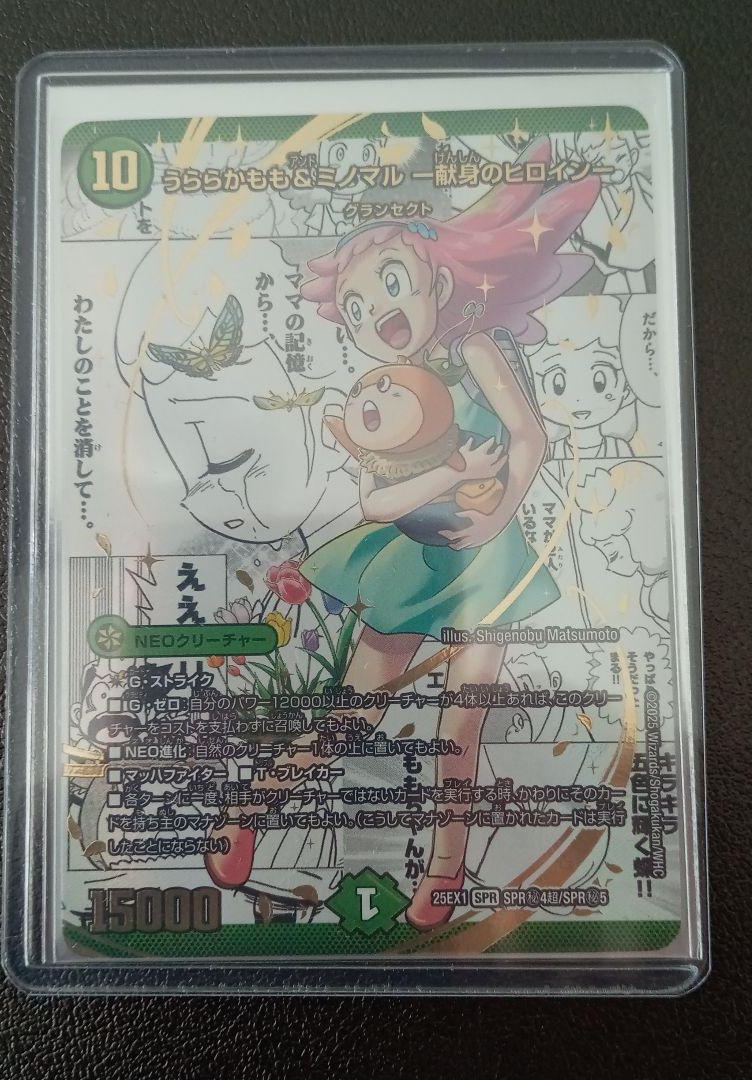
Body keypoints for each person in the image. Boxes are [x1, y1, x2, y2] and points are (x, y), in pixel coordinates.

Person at [205, 140, 601, 930]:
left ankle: (445, 875)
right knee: (356, 712)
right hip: (413, 561)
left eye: (390, 284)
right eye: (354, 307)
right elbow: (376, 495)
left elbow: (531, 437)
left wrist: (500, 513)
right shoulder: (382, 392)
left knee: (463, 727)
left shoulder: (474, 350)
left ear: (437, 284)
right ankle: (250, 812)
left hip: (490, 563)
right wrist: (443, 475)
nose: (374, 314)